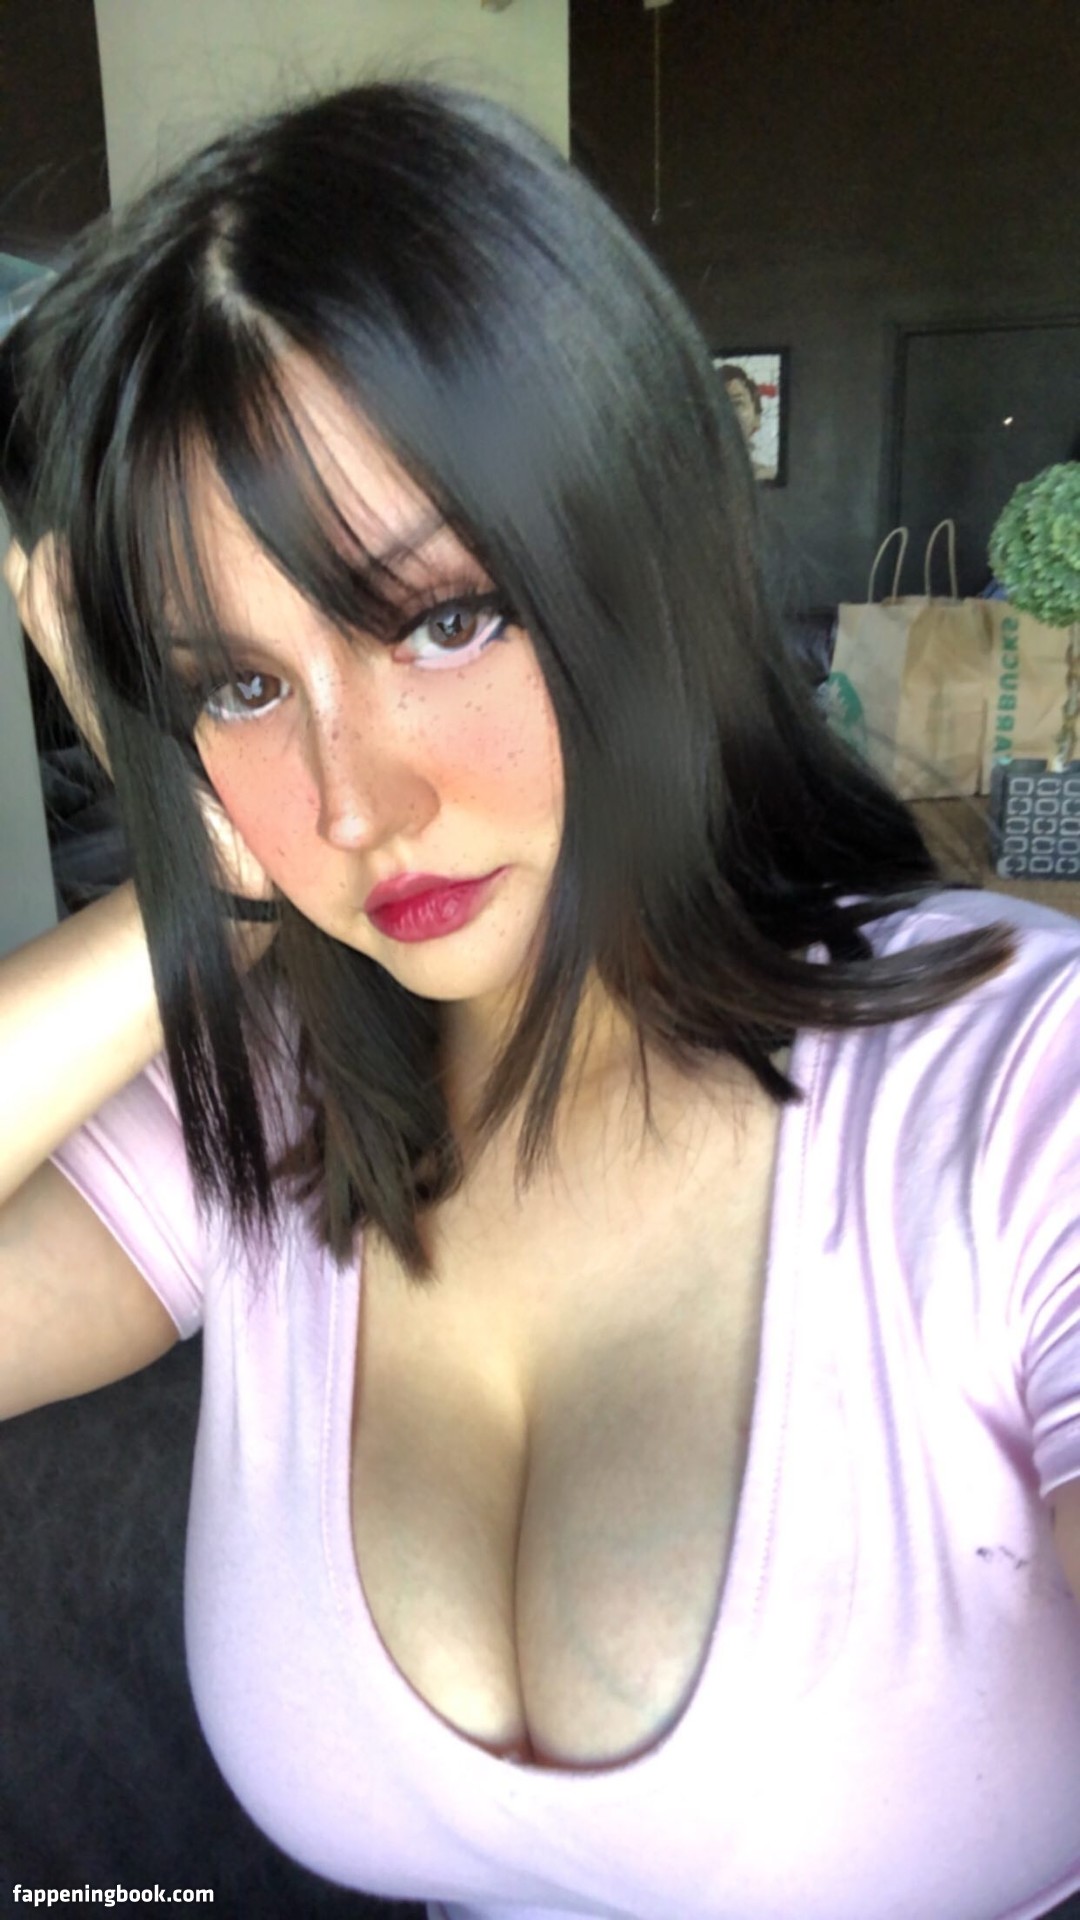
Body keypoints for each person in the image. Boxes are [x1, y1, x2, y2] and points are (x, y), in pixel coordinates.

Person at [2, 79, 1080, 1920]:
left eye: (441, 619)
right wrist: (196, 887)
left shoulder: (1016, 1097)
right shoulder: (269, 1102)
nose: (358, 802)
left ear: (638, 559)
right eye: (240, 685)